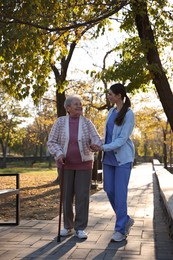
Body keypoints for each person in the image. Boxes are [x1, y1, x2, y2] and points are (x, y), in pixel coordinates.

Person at [47, 94, 102, 239]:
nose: (79, 106)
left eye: (80, 104)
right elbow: (51, 141)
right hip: (65, 164)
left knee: (82, 196)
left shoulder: (87, 122)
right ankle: (68, 226)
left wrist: (95, 145)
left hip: (84, 164)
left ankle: (80, 228)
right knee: (66, 197)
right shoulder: (60, 122)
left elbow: (96, 138)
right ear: (68, 108)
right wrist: (59, 154)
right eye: (76, 104)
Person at [91, 83, 135, 242]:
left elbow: (122, 139)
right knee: (109, 190)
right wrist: (99, 144)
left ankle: (120, 230)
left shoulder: (129, 114)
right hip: (108, 159)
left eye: (110, 94)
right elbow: (108, 136)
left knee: (120, 195)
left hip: (123, 159)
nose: (108, 96)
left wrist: (102, 147)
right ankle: (126, 219)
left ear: (118, 95)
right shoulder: (110, 112)